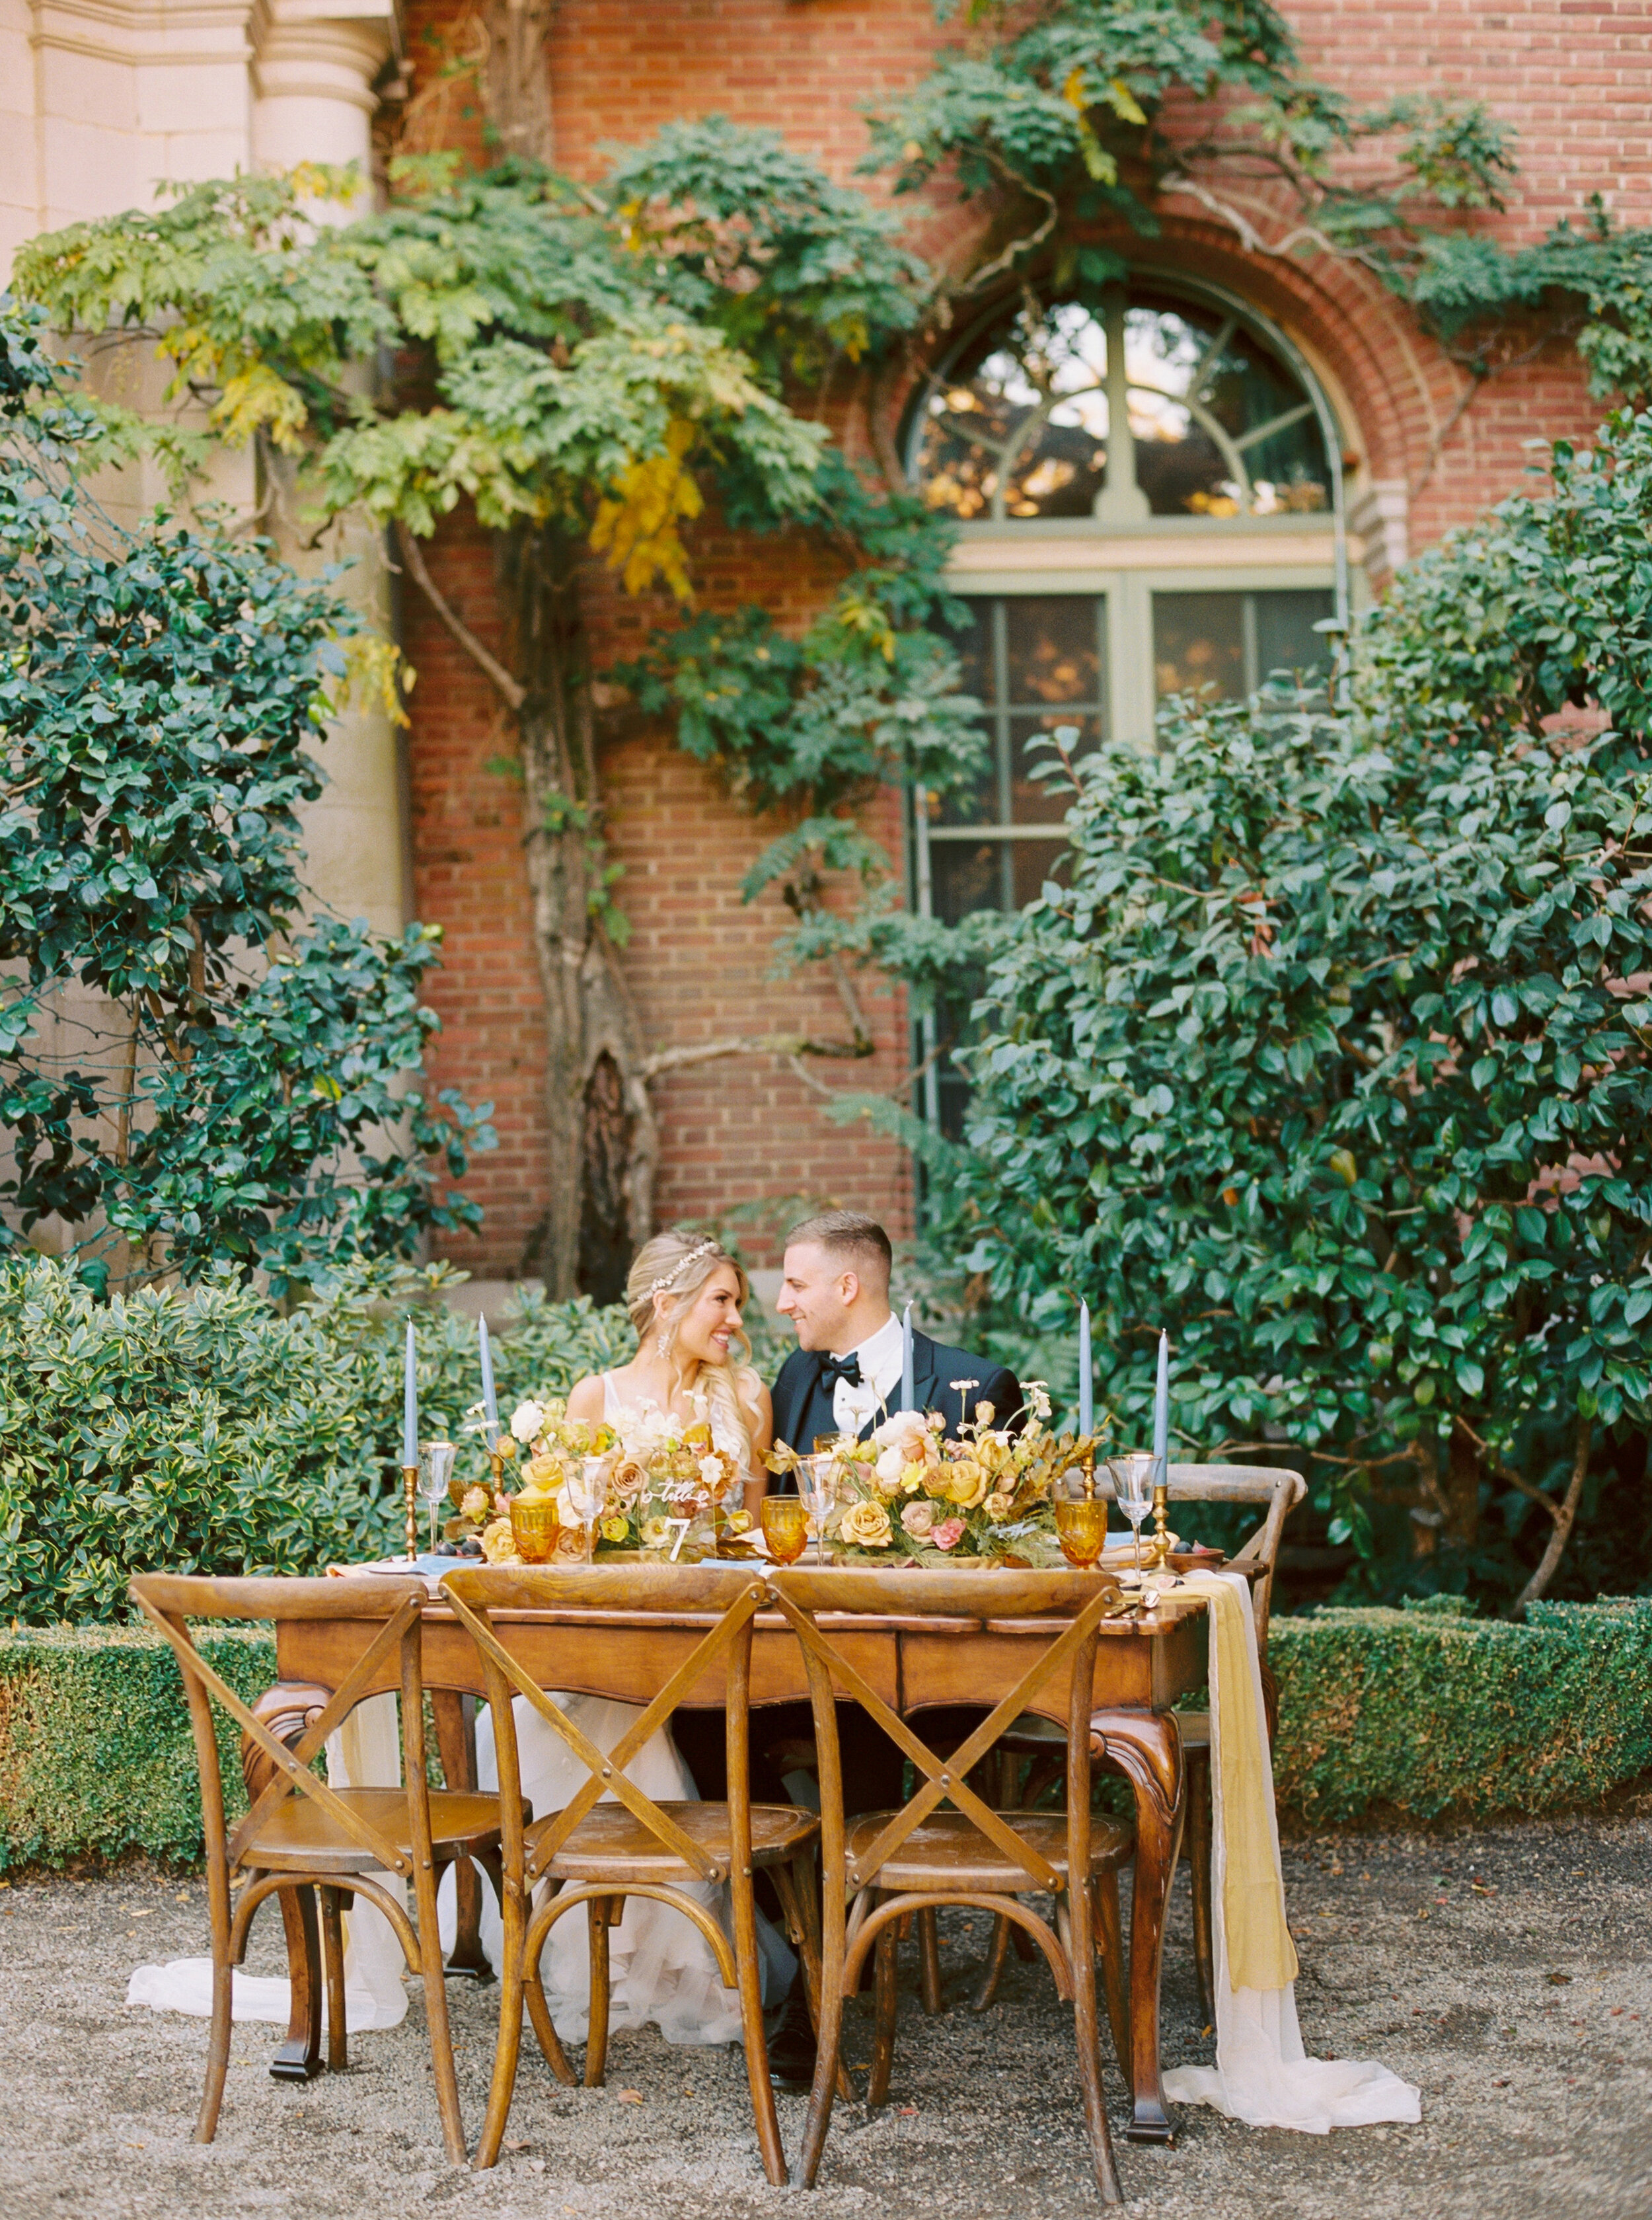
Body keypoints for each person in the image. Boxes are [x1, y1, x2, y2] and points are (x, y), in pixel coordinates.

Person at [471, 1229, 794, 2051]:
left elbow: (753, 1531)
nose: (733, 1320)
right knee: (531, 1720)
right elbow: (567, 1533)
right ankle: (579, 1942)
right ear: (667, 1304)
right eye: (721, 1300)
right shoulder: (596, 1397)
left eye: (736, 1304)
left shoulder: (745, 1399)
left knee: (644, 1730)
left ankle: (678, 1955)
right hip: (609, 1637)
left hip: (707, 1635)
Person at [770, 1207, 1023, 1466]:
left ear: (847, 1288)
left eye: (797, 1286)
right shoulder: (797, 1372)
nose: (782, 1304)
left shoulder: (977, 1390)